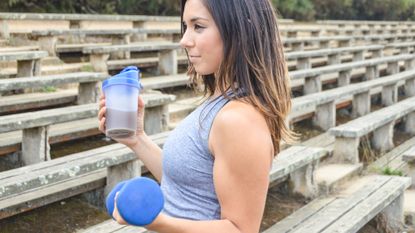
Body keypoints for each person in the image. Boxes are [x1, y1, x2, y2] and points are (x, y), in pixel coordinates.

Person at [98, 0, 295, 232]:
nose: (184, 40)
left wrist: (156, 221)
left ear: (240, 30)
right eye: (185, 26)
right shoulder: (220, 100)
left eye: (198, 26)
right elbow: (188, 184)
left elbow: (240, 229)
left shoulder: (239, 120)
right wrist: (137, 139)